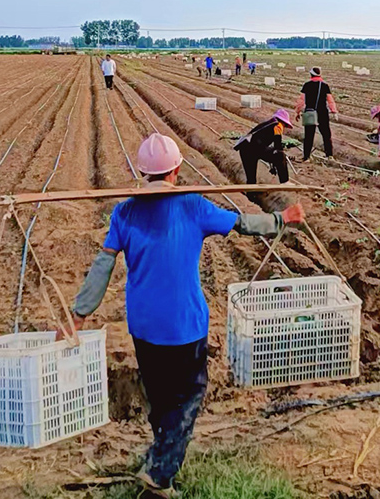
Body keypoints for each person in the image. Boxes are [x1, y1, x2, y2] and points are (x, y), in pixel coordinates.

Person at [69, 133, 305, 496]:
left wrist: (79, 314)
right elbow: (242, 223)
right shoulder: (194, 206)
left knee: (160, 398)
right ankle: (160, 475)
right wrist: (281, 219)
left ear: (142, 173)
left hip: (144, 325)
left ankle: (160, 454)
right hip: (183, 325)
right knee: (190, 395)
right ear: (177, 169)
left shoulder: (125, 211)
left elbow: (103, 263)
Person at [234, 108, 292, 184]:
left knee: (251, 179)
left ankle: (250, 194)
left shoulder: (268, 124)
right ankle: (285, 181)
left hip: (245, 149)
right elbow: (278, 146)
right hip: (255, 148)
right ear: (284, 122)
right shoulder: (278, 125)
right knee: (280, 155)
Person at [295, 67, 338, 162]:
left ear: (311, 75)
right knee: (326, 134)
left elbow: (301, 101)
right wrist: (334, 111)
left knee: (309, 135)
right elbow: (330, 100)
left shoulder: (307, 85)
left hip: (310, 112)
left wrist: (298, 112)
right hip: (322, 112)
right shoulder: (325, 85)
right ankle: (329, 155)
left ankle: (306, 157)